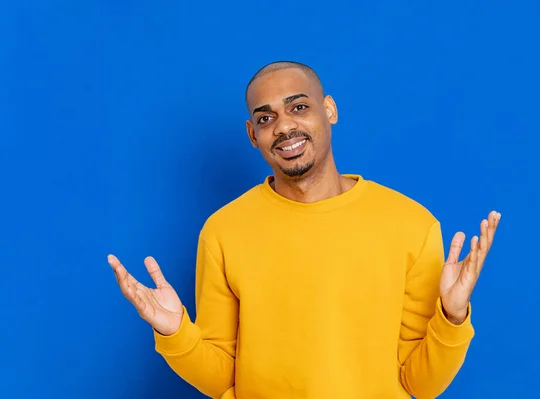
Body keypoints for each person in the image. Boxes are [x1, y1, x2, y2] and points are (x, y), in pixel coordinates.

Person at [108, 61, 501, 399]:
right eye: (266, 118)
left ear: (329, 109)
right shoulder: (223, 230)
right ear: (252, 134)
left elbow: (421, 383)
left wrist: (452, 314)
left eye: (298, 106)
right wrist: (176, 333)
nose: (284, 127)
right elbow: (222, 378)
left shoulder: (411, 223)